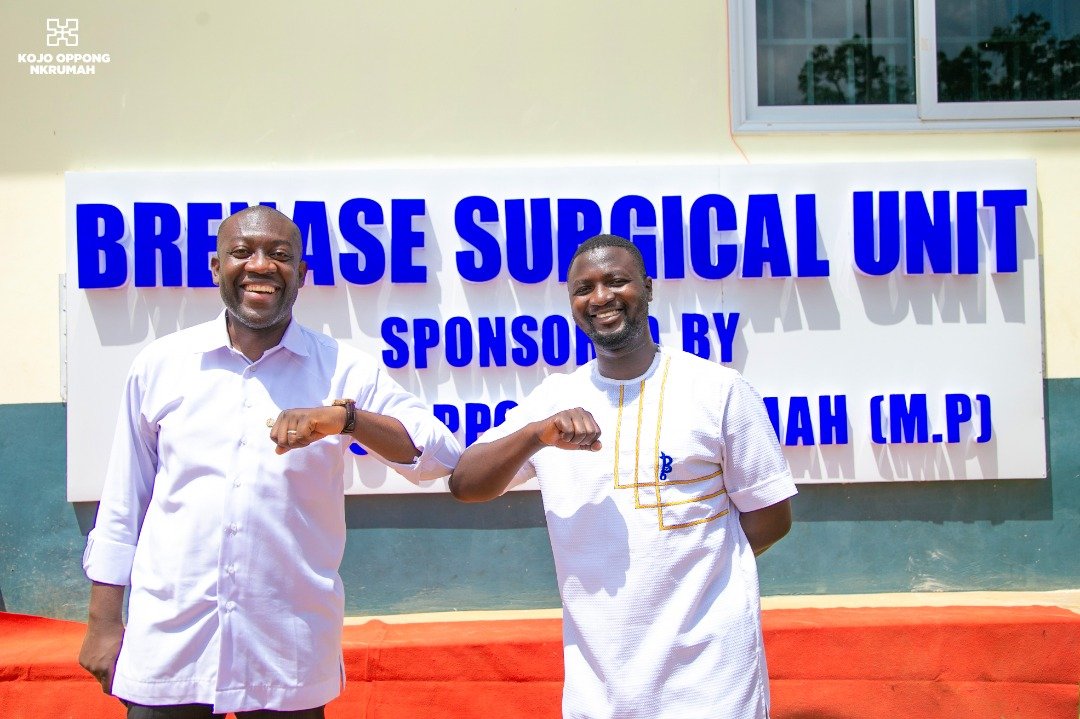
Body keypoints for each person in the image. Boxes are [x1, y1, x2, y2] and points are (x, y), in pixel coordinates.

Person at [78, 205, 461, 718]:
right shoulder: (161, 365)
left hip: (285, 645)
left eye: (279, 255)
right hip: (171, 638)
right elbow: (125, 501)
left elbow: (438, 455)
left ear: (301, 274)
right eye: (242, 252)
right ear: (216, 267)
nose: (260, 266)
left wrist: (345, 420)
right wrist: (103, 622)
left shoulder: (343, 369)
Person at [449, 234, 796, 719]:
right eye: (583, 288)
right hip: (600, 688)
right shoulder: (553, 401)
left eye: (616, 281)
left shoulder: (718, 390)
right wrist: (534, 435)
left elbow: (771, 517)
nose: (601, 297)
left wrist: (687, 569)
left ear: (648, 288)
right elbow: (465, 484)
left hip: (713, 679)